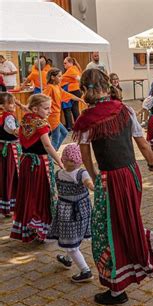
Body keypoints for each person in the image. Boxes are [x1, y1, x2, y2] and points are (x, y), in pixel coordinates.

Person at [73, 69, 153, 305]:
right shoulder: (124, 109)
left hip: (110, 178)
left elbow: (86, 156)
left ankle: (117, 288)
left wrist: (95, 178)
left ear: (85, 90)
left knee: (108, 230)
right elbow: (143, 143)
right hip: (132, 173)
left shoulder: (86, 119)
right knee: (128, 219)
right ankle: (141, 248)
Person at [10, 94, 63, 242]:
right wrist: (59, 161)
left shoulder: (26, 119)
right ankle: (40, 227)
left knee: (29, 193)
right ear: (35, 108)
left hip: (26, 162)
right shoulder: (41, 124)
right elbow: (47, 145)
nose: (50, 111)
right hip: (40, 163)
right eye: (46, 108)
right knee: (41, 194)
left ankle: (29, 226)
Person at [47, 144, 94, 283]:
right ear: (63, 158)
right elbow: (89, 184)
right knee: (73, 237)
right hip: (78, 211)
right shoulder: (75, 173)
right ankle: (68, 260)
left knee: (71, 241)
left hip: (69, 212)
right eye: (68, 159)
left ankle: (85, 270)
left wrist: (93, 186)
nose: (70, 162)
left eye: (73, 160)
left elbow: (89, 183)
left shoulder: (65, 174)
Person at [43, 68, 84, 149]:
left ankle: (53, 151)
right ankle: (51, 156)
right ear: (52, 77)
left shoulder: (57, 87)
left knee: (64, 133)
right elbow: (43, 98)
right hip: (52, 116)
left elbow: (66, 94)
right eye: (59, 76)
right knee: (55, 138)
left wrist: (79, 99)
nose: (61, 78)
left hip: (56, 116)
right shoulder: (50, 87)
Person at [0, 93, 20, 217]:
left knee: (5, 175)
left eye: (14, 102)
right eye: (10, 103)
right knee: (10, 175)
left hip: (4, 148)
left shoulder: (4, 116)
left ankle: (6, 204)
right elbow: (15, 132)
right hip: (9, 150)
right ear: (2, 106)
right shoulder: (8, 118)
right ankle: (9, 205)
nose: (13, 105)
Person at [61, 57, 83, 130]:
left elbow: (79, 78)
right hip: (75, 90)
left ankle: (74, 125)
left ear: (70, 63)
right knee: (74, 108)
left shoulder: (72, 69)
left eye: (65, 63)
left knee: (71, 108)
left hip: (73, 90)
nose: (64, 64)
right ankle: (77, 125)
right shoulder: (73, 68)